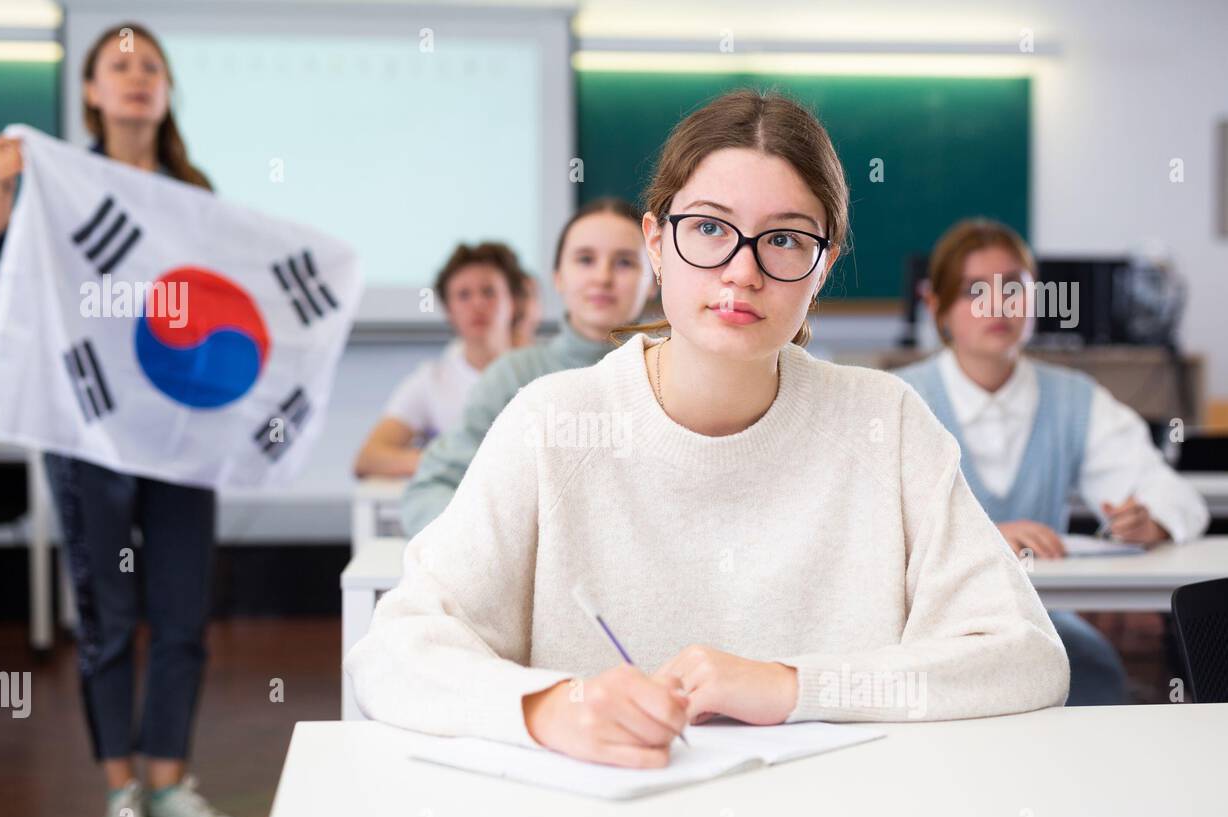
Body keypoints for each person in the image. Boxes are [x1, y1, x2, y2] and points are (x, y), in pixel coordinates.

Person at [347, 89, 1069, 769]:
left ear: (825, 267)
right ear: (656, 245)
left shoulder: (886, 422)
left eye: (784, 240)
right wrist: (551, 707)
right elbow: (394, 653)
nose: (742, 271)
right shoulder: (553, 423)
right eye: (710, 229)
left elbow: (1023, 655)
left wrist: (789, 687)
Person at [0, 22, 243, 817]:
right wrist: (2, 192)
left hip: (179, 434)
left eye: (151, 67)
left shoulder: (194, 191)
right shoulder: (59, 182)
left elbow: (225, 306)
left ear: (166, 93)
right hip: (87, 432)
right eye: (119, 66)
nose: (136, 78)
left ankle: (168, 784)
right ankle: (120, 788)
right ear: (90, 92)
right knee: (107, 615)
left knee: (181, 613)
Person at [895, 218, 1210, 705]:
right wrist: (983, 540)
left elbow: (1174, 496)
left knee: (1094, 673)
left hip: (1037, 622)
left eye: (1014, 289)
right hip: (927, 628)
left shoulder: (1073, 399)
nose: (997, 306)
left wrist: (1153, 519)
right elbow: (868, 532)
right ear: (936, 306)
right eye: (975, 290)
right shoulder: (900, 399)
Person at [401, 197, 655, 535]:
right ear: (558, 277)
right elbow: (430, 489)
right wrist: (498, 546)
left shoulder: (677, 377)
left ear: (654, 277)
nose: (602, 277)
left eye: (624, 262)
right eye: (585, 260)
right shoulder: (512, 376)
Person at [352, 242, 522, 477]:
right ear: (449, 310)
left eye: (488, 292)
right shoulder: (432, 380)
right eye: (463, 295)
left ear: (512, 302)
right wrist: (450, 462)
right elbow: (368, 458)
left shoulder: (545, 371)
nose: (477, 304)